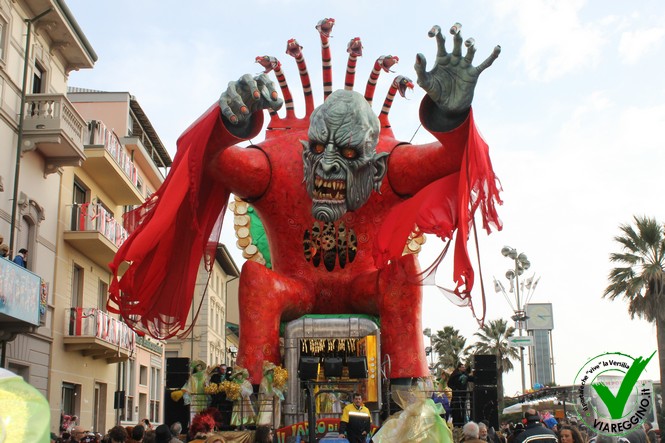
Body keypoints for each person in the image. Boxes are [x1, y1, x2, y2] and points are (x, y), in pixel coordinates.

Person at [108, 20, 502, 391]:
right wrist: (231, 123)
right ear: (304, 148)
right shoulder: (279, 166)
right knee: (257, 281)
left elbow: (456, 157)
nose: (327, 164)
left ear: (373, 164)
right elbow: (206, 160)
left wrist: (449, 116)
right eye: (317, 149)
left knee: (403, 276)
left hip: (363, 287)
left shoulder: (387, 167)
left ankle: (407, 399)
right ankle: (257, 401)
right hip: (293, 288)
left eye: (347, 154)